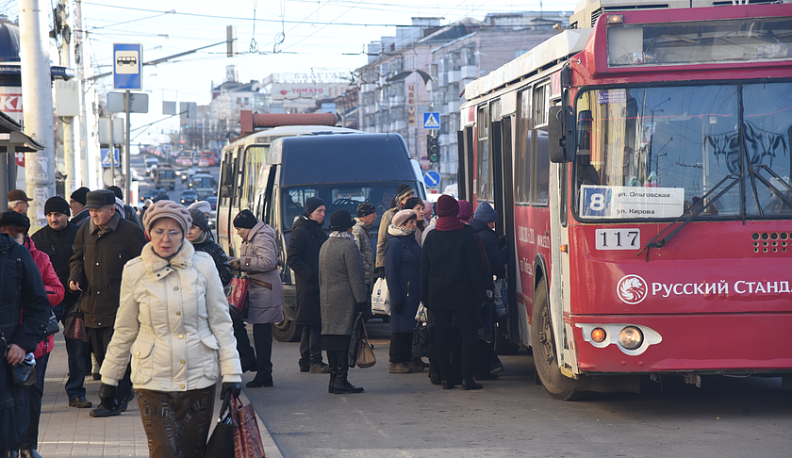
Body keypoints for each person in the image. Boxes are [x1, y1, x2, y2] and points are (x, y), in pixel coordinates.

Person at [99, 201, 242, 458]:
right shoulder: (134, 270)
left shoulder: (204, 265)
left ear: (186, 232)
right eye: (158, 231)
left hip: (199, 377)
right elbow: (124, 328)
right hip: (152, 379)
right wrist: (110, 377)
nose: (166, 239)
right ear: (148, 233)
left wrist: (232, 371)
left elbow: (221, 322)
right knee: (163, 451)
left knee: (192, 452)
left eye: (174, 231)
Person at [68, 189, 148, 417]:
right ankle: (120, 393)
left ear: (111, 210)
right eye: (90, 211)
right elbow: (77, 257)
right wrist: (75, 277)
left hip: (120, 306)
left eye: (97, 211)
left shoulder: (130, 232)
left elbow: (144, 266)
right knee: (102, 356)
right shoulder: (85, 231)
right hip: (92, 305)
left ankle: (112, 401)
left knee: (117, 356)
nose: (93, 215)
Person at [0, 212, 64, 458]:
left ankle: (25, 445)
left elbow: (49, 296)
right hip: (21, 341)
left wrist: (22, 342)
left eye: (14, 233)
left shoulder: (25, 256)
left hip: (29, 345)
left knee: (28, 397)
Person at [420, 195, 488, 390]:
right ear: (455, 211)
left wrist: (424, 297)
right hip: (464, 296)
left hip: (438, 296)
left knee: (441, 337)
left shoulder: (431, 236)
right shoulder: (466, 235)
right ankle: (466, 378)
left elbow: (424, 271)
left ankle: (446, 379)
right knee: (469, 336)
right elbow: (475, 269)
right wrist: (480, 295)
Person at [31, 197, 92, 409]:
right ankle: (34, 391)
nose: (53, 219)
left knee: (77, 348)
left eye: (57, 214)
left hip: (76, 301)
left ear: (67, 214)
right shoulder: (38, 239)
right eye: (49, 215)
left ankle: (76, 392)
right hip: (49, 302)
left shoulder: (80, 234)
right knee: (40, 347)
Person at [230, 210, 284, 388]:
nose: (237, 232)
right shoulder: (253, 236)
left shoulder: (261, 237)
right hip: (258, 288)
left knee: (262, 335)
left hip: (265, 290)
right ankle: (255, 364)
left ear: (247, 227)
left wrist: (242, 262)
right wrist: (235, 260)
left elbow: (268, 262)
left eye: (239, 228)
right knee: (244, 326)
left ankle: (264, 373)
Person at [318, 210, 367, 394]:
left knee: (331, 339)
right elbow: (356, 277)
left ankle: (334, 380)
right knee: (344, 339)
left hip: (327, 299)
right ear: (348, 227)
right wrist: (361, 301)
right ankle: (341, 380)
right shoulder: (349, 247)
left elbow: (321, 276)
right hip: (345, 299)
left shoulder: (325, 245)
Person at [287, 197, 330, 373]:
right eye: (319, 211)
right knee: (314, 324)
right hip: (309, 285)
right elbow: (293, 259)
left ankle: (305, 360)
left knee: (308, 324)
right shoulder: (302, 231)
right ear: (310, 212)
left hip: (316, 284)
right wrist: (311, 275)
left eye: (324, 211)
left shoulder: (317, 230)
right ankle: (314, 361)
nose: (323, 214)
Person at [469, 202, 507, 380]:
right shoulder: (488, 237)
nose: (494, 224)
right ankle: (485, 368)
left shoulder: (471, 232)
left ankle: (480, 366)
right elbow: (496, 264)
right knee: (487, 329)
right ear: (486, 221)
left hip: (473, 288)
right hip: (486, 287)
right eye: (492, 221)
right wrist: (507, 250)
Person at [384, 209, 423, 373]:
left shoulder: (410, 240)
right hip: (402, 294)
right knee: (400, 329)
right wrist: (397, 297)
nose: (414, 225)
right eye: (410, 222)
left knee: (410, 328)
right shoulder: (395, 243)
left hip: (413, 293)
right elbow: (391, 272)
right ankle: (395, 361)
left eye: (414, 222)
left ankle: (407, 359)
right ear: (401, 224)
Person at [375, 184, 414, 274]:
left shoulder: (415, 212)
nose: (411, 197)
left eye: (412, 195)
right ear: (401, 198)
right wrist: (381, 265)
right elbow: (382, 241)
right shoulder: (389, 215)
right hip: (395, 259)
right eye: (408, 195)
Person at [351, 202, 377, 300]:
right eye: (373, 213)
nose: (376, 216)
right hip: (362, 278)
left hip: (367, 278)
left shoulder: (364, 229)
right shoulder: (357, 231)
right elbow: (356, 254)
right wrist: (367, 267)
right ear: (365, 216)